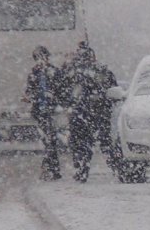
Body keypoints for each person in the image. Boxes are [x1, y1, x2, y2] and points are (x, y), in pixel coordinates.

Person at [63, 43, 121, 183]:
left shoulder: (73, 73)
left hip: (82, 114)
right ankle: (116, 168)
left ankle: (82, 169)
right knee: (104, 143)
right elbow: (113, 90)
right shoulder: (101, 71)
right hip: (97, 114)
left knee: (81, 144)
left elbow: (64, 92)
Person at [25, 46, 62, 180]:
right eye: (37, 58)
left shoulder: (55, 72)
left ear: (47, 58)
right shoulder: (33, 74)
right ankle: (52, 169)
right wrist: (31, 97)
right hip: (40, 112)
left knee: (50, 140)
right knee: (49, 140)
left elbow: (62, 90)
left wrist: (53, 97)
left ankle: (50, 168)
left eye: (42, 57)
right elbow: (29, 91)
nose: (40, 61)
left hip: (53, 111)